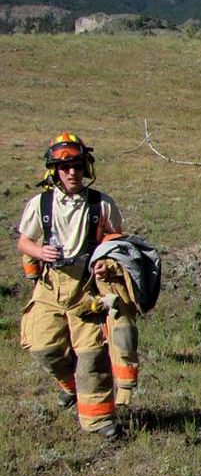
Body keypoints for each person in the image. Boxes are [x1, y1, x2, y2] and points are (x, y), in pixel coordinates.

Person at [17, 132, 124, 437]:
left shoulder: (101, 205)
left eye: (77, 166)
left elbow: (118, 244)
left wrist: (107, 264)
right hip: (50, 286)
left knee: (92, 356)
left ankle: (100, 421)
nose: (72, 172)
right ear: (54, 171)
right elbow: (24, 241)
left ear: (86, 167)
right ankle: (70, 386)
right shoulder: (41, 204)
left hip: (87, 288)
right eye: (65, 168)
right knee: (42, 346)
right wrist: (39, 252)